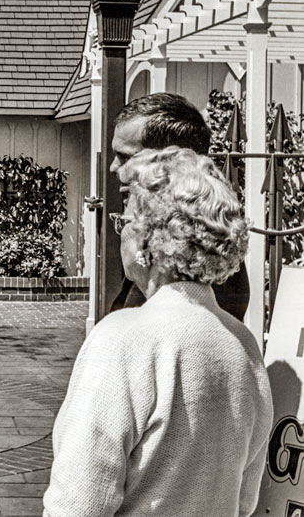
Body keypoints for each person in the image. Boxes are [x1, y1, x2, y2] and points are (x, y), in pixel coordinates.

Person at [44, 147, 273, 517]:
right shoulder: (242, 347)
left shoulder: (122, 340)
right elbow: (245, 502)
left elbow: (77, 502)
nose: (120, 232)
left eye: (127, 219)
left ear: (148, 244)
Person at [109, 92, 250, 321]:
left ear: (172, 159)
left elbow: (192, 335)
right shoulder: (160, 233)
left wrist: (142, 275)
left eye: (125, 157)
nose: (113, 167)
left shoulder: (207, 245)